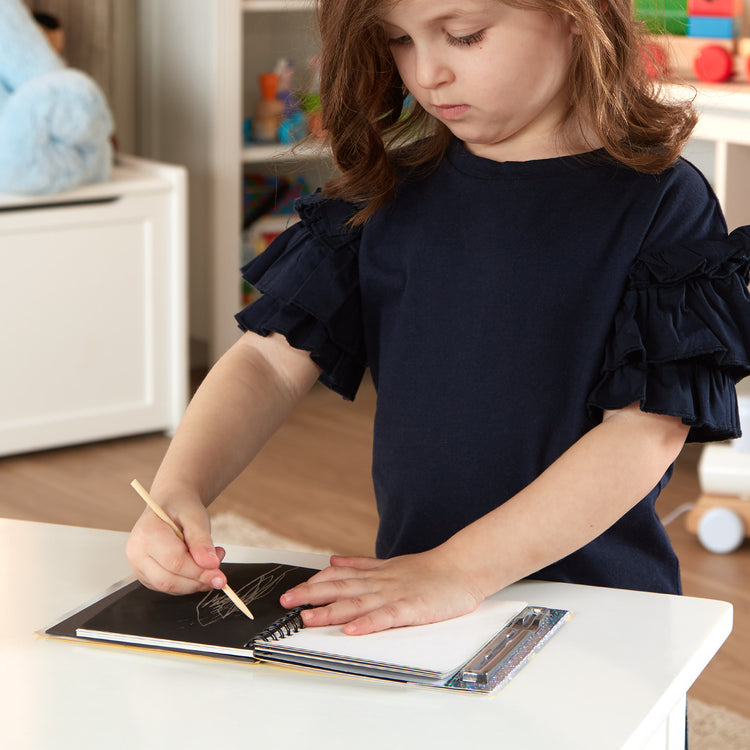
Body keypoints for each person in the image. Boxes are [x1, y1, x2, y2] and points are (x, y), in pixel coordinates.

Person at [127, 0, 750, 638]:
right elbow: (267, 362)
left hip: (601, 616)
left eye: (463, 36)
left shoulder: (663, 202)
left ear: (574, 15)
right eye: (398, 41)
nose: (426, 74)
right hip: (421, 598)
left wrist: (461, 570)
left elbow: (643, 433)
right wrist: (181, 486)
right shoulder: (384, 193)